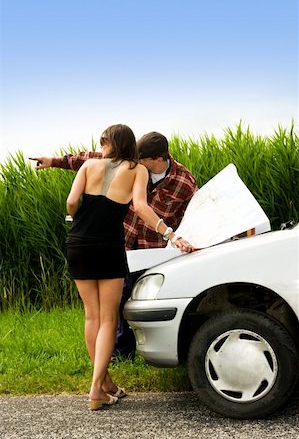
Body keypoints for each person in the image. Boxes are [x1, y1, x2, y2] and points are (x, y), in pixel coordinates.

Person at [30, 131, 198, 358]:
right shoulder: (131, 167)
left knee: (146, 299)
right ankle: (120, 352)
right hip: (122, 242)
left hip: (154, 249)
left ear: (159, 159)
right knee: (116, 301)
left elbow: (196, 212)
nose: (137, 162)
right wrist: (53, 162)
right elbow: (89, 159)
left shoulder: (184, 182)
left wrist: (182, 238)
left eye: (143, 159)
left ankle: (156, 347)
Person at [65, 124, 193, 410]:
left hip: (77, 244)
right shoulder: (137, 171)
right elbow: (141, 207)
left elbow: (72, 202)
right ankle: (96, 389)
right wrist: (170, 234)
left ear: (110, 144)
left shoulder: (89, 166)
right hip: (108, 248)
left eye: (102, 142)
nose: (100, 148)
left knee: (91, 318)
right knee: (109, 319)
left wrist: (76, 217)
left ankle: (105, 383)